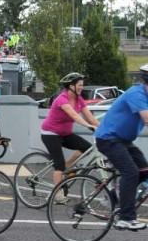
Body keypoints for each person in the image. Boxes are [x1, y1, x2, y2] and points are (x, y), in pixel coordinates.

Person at [94, 65, 148, 231]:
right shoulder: (137, 94)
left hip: (123, 141)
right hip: (108, 139)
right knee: (130, 172)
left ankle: (113, 196)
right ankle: (125, 218)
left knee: (145, 170)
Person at [41, 73, 100, 204]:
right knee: (59, 164)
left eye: (82, 85)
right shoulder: (62, 99)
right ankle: (58, 194)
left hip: (65, 134)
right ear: (71, 86)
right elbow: (74, 116)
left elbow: (90, 117)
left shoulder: (79, 100)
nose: (81, 88)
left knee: (87, 148)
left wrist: (103, 129)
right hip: (50, 133)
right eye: (79, 85)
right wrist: (89, 126)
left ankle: (67, 166)